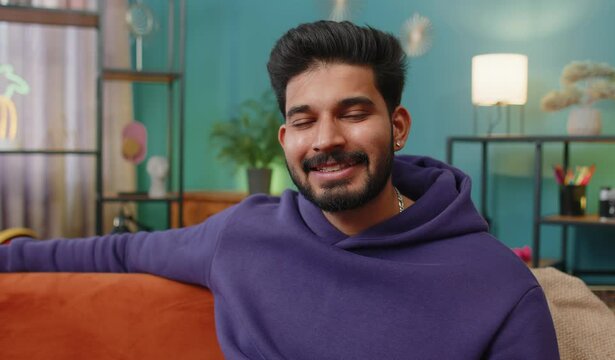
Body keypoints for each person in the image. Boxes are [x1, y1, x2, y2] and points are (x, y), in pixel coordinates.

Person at [0, 21, 559, 359]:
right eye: (304, 120)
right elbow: (118, 250)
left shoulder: (497, 286)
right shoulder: (243, 234)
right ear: (285, 137)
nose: (327, 140)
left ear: (399, 125)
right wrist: (10, 249)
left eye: (353, 113)